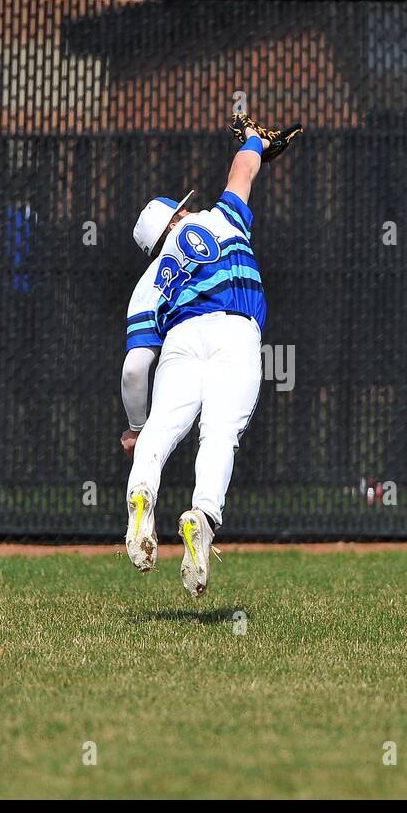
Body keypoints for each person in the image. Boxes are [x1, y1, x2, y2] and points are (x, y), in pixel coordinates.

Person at [118, 125, 271, 595]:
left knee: (162, 430)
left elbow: (133, 369)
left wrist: (137, 428)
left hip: (182, 338)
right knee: (220, 434)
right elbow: (243, 170)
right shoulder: (222, 218)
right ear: (179, 215)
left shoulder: (148, 281)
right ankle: (201, 516)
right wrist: (255, 141)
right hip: (235, 331)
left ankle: (142, 495)